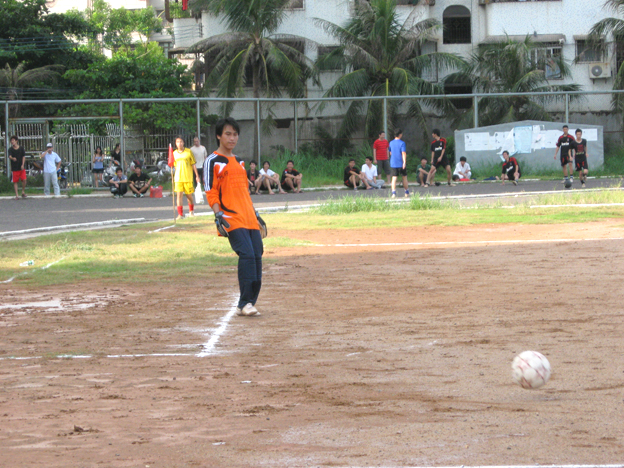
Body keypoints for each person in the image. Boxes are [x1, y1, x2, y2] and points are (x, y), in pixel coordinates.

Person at [205, 117, 265, 317]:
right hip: (230, 216)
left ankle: (249, 302)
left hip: (248, 216)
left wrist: (255, 214)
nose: (232, 138)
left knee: (257, 254)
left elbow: (244, 192)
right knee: (246, 254)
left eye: (235, 134)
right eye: (228, 134)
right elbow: (211, 191)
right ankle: (245, 302)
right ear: (219, 136)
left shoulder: (239, 162)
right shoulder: (212, 161)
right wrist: (218, 215)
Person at [173, 135, 201, 220]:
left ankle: (191, 211)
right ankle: (180, 214)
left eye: (181, 141)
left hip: (187, 177)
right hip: (178, 178)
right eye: (178, 142)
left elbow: (193, 164)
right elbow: (174, 165)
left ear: (183, 142)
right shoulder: (174, 153)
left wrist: (197, 176)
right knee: (179, 196)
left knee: (189, 196)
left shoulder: (188, 152)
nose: (179, 143)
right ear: (175, 143)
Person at [388, 128, 409, 198]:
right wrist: (404, 162)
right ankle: (406, 192)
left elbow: (390, 152)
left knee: (394, 178)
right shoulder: (402, 143)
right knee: (404, 177)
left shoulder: (391, 143)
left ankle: (393, 193)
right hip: (401, 163)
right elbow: (403, 153)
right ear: (400, 134)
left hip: (393, 163)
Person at [8, 135, 27, 200]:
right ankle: (17, 195)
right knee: (15, 181)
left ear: (16, 141)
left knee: (24, 180)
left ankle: (23, 192)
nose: (12, 142)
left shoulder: (21, 148)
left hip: (21, 167)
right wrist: (12, 158)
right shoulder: (10, 149)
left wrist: (23, 164)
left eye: (13, 140)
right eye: (11, 141)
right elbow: (9, 156)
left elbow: (23, 156)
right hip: (14, 168)